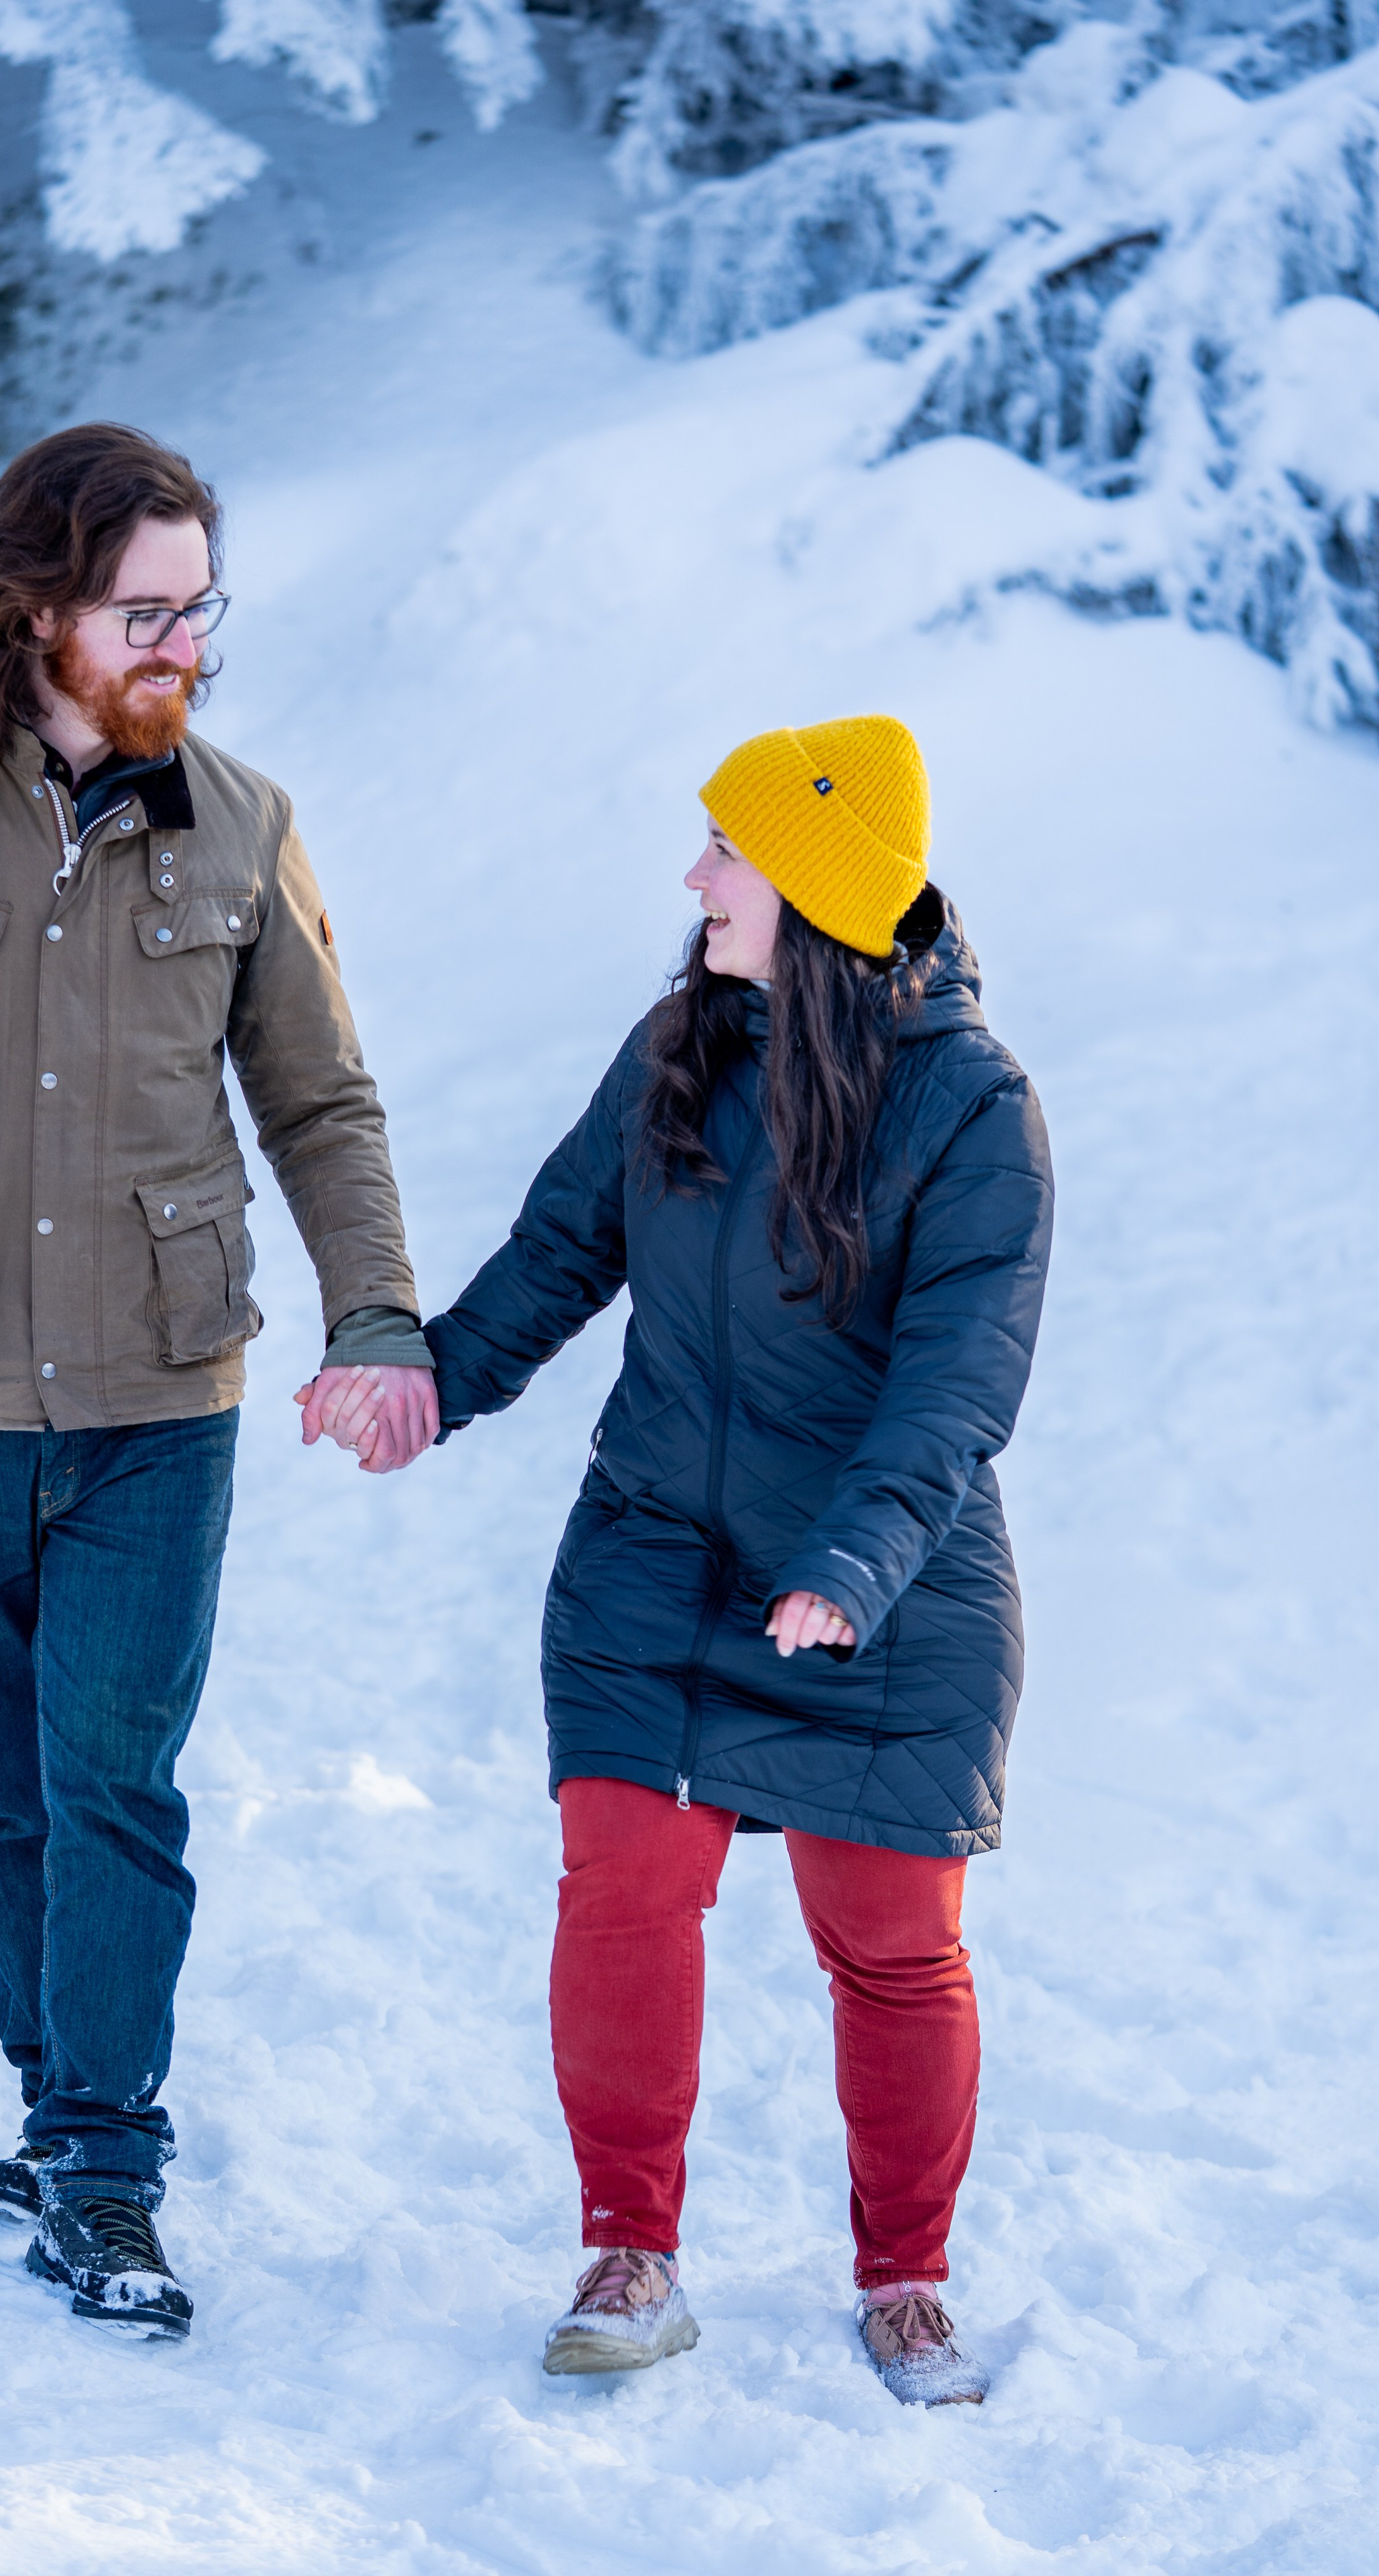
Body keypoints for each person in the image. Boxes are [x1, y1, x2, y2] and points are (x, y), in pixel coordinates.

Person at [0, 423, 437, 2339]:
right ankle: (58, 2101)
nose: (185, 646)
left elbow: (321, 1103)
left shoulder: (247, 825)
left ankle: (107, 2164)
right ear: (38, 605)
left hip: (163, 1392)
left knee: (114, 1780)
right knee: (7, 1792)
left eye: (202, 609)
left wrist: (376, 1316)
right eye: (147, 612)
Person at [422, 715, 1052, 2404]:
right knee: (623, 1892)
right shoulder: (679, 1049)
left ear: (818, 879)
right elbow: (559, 1248)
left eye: (727, 848)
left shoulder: (970, 1106)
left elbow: (955, 1383)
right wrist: (428, 1382)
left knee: (890, 1945)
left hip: (887, 1582)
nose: (694, 875)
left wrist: (853, 1564)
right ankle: (627, 2251)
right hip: (654, 1556)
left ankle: (905, 2278)